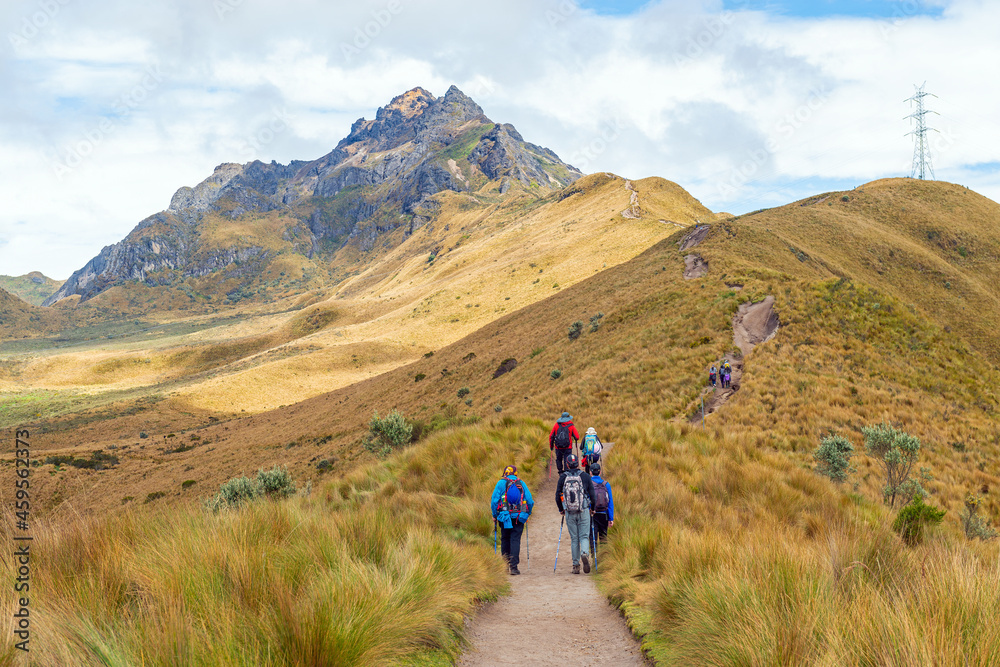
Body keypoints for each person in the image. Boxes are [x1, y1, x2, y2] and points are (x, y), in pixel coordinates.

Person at [555, 454, 595, 574]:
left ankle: (575, 566)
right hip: (583, 510)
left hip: (569, 511)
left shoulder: (563, 477)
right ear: (578, 463)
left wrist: (561, 509)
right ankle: (584, 553)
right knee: (584, 536)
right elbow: (592, 494)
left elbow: (558, 495)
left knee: (574, 538)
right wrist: (592, 508)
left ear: (567, 464)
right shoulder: (585, 476)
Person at [491, 465, 534, 575]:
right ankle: (514, 567)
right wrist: (527, 513)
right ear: (515, 473)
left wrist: (494, 515)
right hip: (518, 517)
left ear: (505, 473)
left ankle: (505, 566)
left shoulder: (501, 483)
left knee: (505, 539)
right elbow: (529, 500)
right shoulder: (521, 483)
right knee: (515, 540)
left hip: (504, 517)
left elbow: (494, 501)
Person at [589, 462, 614, 543]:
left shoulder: (589, 484)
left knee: (593, 538)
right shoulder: (606, 484)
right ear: (600, 472)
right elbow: (610, 502)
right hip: (604, 514)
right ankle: (603, 554)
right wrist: (611, 518)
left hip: (592, 514)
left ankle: (593, 555)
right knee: (603, 538)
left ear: (590, 472)